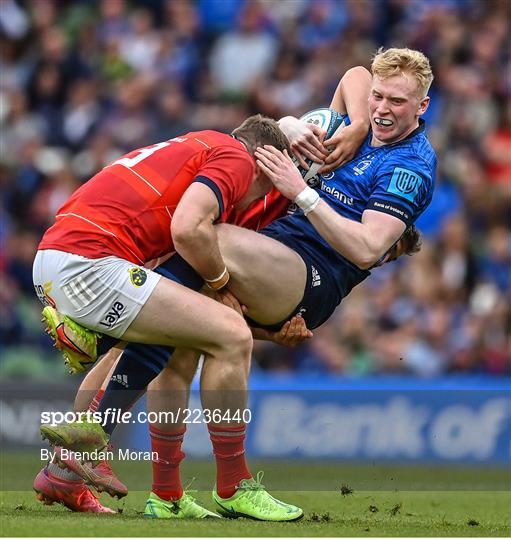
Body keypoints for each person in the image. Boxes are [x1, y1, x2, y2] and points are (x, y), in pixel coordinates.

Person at [42, 46, 436, 517]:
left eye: (397, 101)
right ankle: (162, 494)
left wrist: (302, 193)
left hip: (311, 272)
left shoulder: (412, 165)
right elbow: (349, 76)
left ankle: (106, 405)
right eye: (378, 97)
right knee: (178, 334)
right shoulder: (351, 125)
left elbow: (369, 247)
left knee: (207, 241)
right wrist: (338, 124)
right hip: (263, 255)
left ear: (422, 106)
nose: (383, 109)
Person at [33, 115, 307, 520]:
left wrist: (266, 328)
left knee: (161, 332)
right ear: (265, 165)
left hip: (58, 260)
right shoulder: (237, 159)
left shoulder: (196, 146)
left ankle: (65, 472)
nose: (254, 201)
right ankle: (234, 486)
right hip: (88, 264)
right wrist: (224, 283)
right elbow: (188, 229)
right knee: (231, 335)